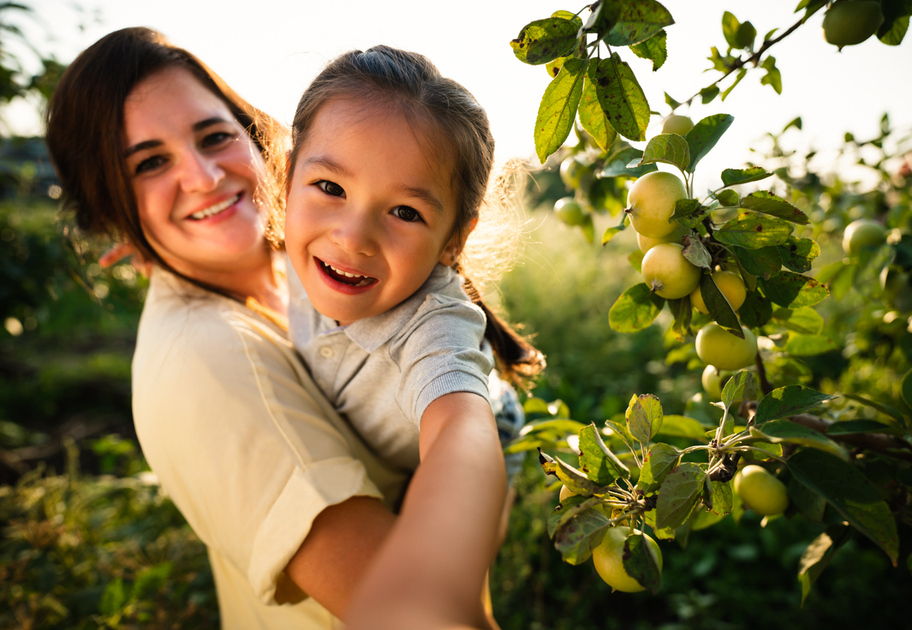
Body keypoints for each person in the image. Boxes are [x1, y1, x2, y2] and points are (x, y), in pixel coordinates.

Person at [44, 27, 506, 630]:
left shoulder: (311, 269)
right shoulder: (200, 358)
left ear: (255, 138)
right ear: (113, 212)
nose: (206, 177)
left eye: (213, 136)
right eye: (150, 164)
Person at [282, 45, 546, 476]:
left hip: (492, 431)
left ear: (453, 240)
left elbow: (463, 441)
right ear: (289, 180)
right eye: (331, 188)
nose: (352, 239)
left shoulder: (436, 330)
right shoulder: (290, 242)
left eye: (405, 212)